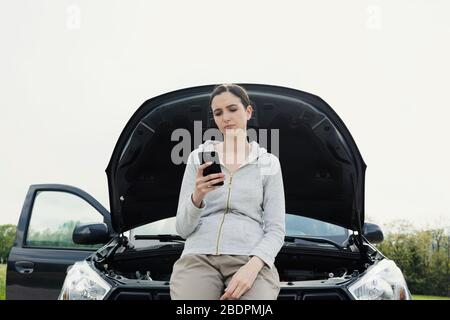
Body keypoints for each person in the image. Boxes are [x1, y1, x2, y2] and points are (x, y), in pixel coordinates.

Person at [169, 83, 286, 300]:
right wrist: (198, 196)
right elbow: (182, 229)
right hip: (198, 257)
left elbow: (276, 230)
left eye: (233, 109)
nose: (226, 118)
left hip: (250, 257)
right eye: (218, 113)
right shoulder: (198, 157)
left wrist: (253, 268)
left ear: (248, 112)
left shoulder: (268, 162)